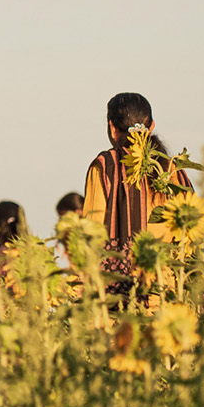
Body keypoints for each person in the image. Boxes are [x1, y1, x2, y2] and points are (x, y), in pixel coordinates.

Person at [81, 92, 190, 282]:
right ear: (152, 127)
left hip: (121, 292)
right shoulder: (173, 168)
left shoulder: (105, 166)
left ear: (112, 128)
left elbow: (90, 232)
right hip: (169, 289)